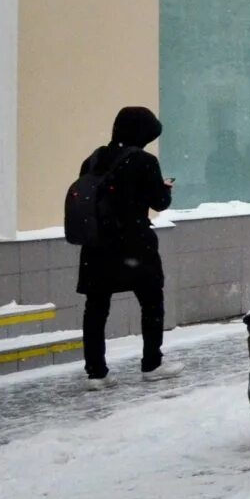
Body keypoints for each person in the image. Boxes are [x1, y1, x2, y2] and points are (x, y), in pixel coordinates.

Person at [76, 105, 174, 380]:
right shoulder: (144, 161)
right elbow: (159, 202)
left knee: (96, 307)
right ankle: (152, 364)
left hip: (96, 245)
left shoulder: (94, 159)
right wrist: (165, 190)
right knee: (151, 300)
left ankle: (95, 372)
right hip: (134, 243)